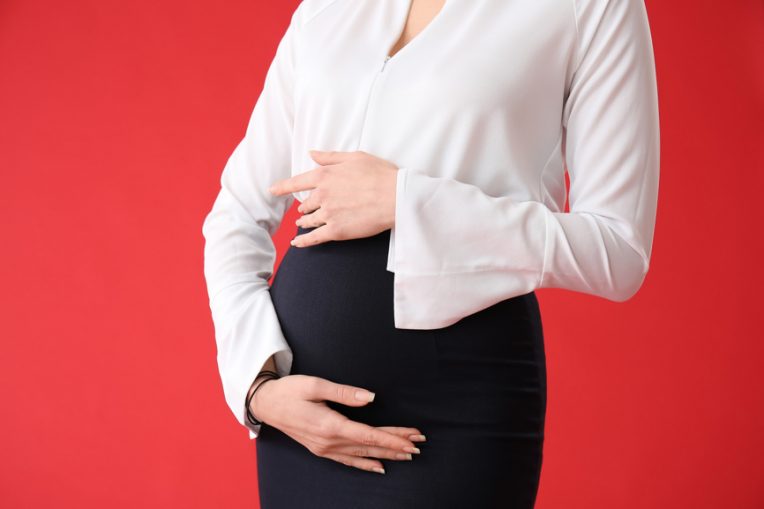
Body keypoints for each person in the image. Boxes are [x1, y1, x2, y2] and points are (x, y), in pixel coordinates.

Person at [201, 0, 660, 507]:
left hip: (455, 412)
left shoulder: (590, 7)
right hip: (298, 420)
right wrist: (257, 386)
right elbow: (237, 215)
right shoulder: (323, 9)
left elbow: (619, 250)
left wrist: (407, 201)